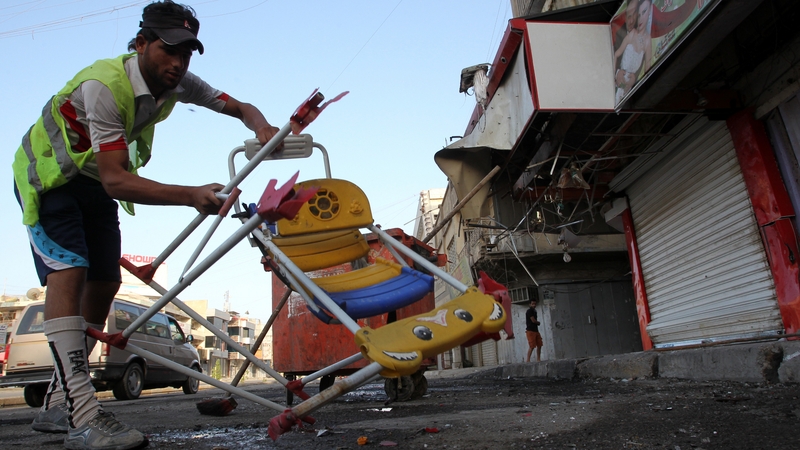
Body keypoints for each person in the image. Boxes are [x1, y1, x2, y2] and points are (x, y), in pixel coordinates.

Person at [11, 2, 280, 449]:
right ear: (141, 44)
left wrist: (263, 127)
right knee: (70, 270)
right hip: (50, 178)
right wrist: (190, 194)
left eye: (187, 54)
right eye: (167, 50)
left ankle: (59, 401)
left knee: (104, 282)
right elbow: (118, 179)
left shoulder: (178, 81)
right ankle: (80, 410)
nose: (177, 63)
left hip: (93, 179)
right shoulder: (103, 85)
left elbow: (238, 105)